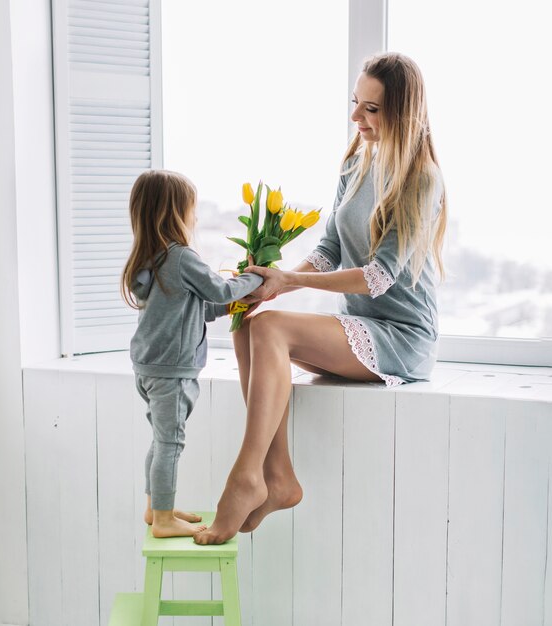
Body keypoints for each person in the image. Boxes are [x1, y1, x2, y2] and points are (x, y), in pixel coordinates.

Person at [194, 52, 447, 545]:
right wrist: (277, 279)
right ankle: (279, 477)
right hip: (361, 329)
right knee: (250, 319)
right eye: (357, 103)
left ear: (403, 112)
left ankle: (245, 477)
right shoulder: (356, 161)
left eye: (372, 110)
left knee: (270, 327)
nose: (357, 117)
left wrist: (292, 284)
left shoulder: (421, 179)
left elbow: (377, 278)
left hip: (402, 338)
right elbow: (330, 250)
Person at [122, 169, 263, 538]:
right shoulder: (181, 257)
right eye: (192, 209)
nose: (196, 217)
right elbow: (218, 290)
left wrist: (234, 306)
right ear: (174, 213)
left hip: (149, 366)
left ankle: (157, 509)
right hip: (170, 371)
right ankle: (165, 519)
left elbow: (197, 308)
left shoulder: (153, 259)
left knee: (160, 439)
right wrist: (254, 278)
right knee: (171, 442)